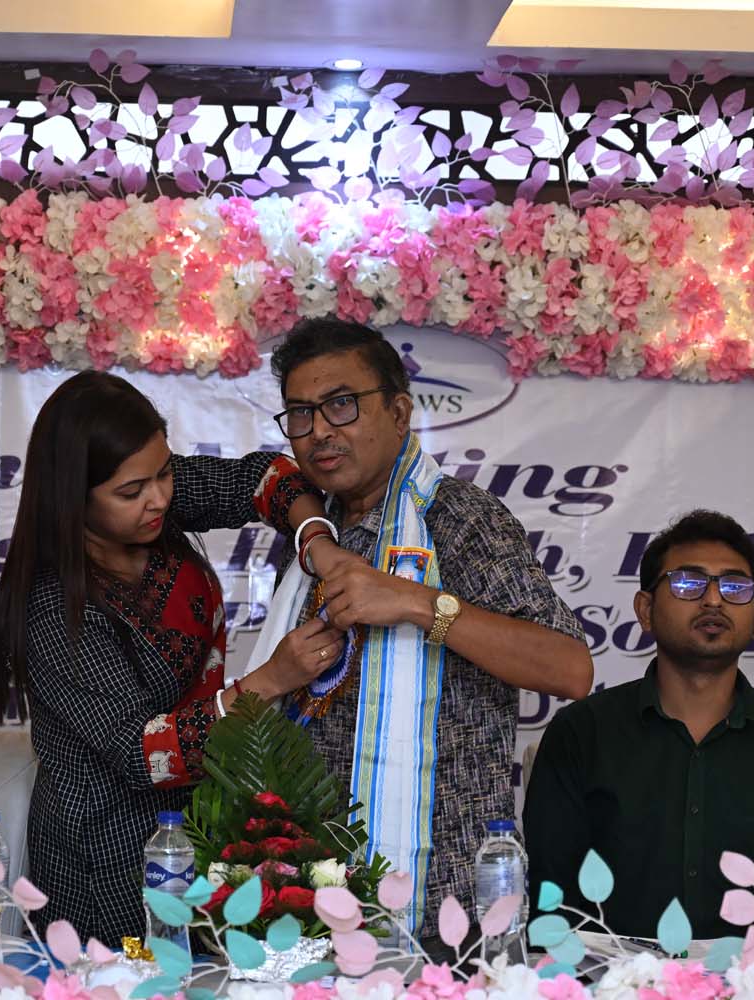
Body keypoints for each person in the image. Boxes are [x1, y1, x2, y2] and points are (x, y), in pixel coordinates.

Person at [247, 319, 593, 945]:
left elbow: (568, 668)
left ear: (400, 412)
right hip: (311, 903)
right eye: (300, 413)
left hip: (446, 911)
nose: (319, 430)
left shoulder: (459, 519)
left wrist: (415, 601)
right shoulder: (313, 537)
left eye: (341, 404)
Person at [0, 371, 339, 944]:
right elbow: (144, 753)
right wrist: (273, 678)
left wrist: (316, 539)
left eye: (166, 472)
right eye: (131, 491)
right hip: (104, 858)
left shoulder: (153, 501)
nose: (158, 498)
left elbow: (265, 478)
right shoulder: (53, 609)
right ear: (73, 498)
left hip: (196, 822)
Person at [523, 509, 754, 940]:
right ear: (645, 610)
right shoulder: (581, 734)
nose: (714, 600)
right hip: (612, 973)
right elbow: (552, 902)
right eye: (688, 583)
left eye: (734, 587)